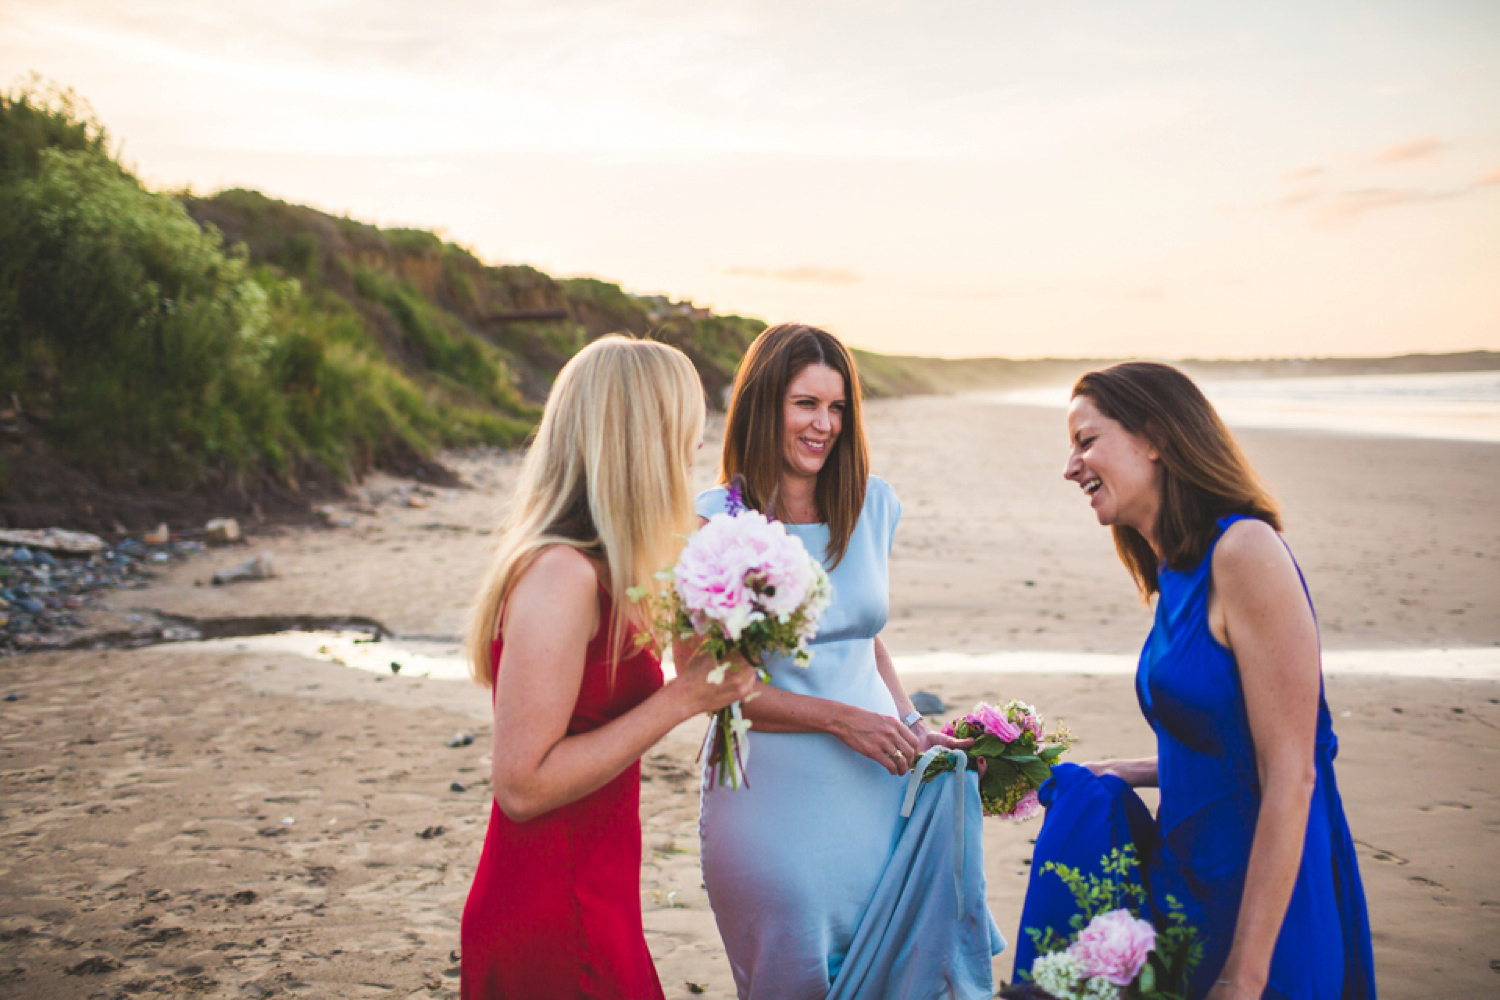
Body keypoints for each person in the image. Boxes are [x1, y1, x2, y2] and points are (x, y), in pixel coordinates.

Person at [1014, 362, 1376, 999]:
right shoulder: (1171, 576)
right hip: (1185, 888)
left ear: (1155, 436)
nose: (1071, 467)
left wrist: (1246, 975)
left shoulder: (1245, 553)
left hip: (1266, 899)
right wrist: (1121, 771)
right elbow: (1220, 744)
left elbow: (1291, 770)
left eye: (1085, 441)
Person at [696, 323, 1004, 1000]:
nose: (825, 424)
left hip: (878, 787)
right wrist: (842, 720)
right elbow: (715, 689)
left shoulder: (872, 505)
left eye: (837, 408)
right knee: (796, 975)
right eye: (806, 404)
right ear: (763, 405)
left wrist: (908, 723)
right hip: (772, 794)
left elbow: (859, 636)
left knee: (895, 972)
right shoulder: (717, 522)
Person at [459, 336, 758, 1000]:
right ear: (643, 440)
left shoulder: (607, 570)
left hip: (597, 891)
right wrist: (679, 700)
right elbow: (522, 786)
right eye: (684, 428)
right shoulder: (561, 575)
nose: (694, 448)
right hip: (553, 908)